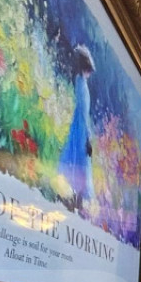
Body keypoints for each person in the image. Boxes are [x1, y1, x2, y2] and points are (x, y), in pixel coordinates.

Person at [57, 45, 95, 213]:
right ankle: (75, 199)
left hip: (78, 126)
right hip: (80, 128)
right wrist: (88, 136)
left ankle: (74, 198)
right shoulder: (81, 83)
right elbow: (83, 112)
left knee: (77, 160)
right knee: (80, 162)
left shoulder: (80, 81)